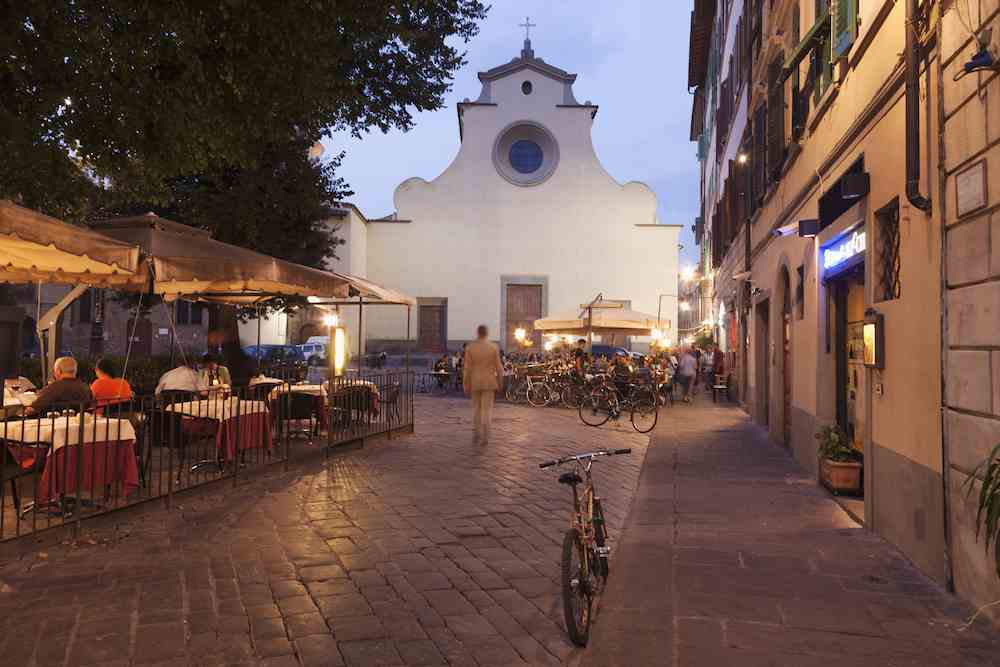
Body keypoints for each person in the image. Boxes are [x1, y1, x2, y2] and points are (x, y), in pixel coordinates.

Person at [463, 324, 503, 445]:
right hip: (489, 382)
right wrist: (500, 382)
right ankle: (485, 436)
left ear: (477, 333)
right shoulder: (493, 347)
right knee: (487, 410)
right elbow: (499, 367)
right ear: (486, 333)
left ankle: (476, 433)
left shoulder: (470, 347)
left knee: (476, 409)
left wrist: (466, 383)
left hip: (475, 381)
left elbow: (467, 368)